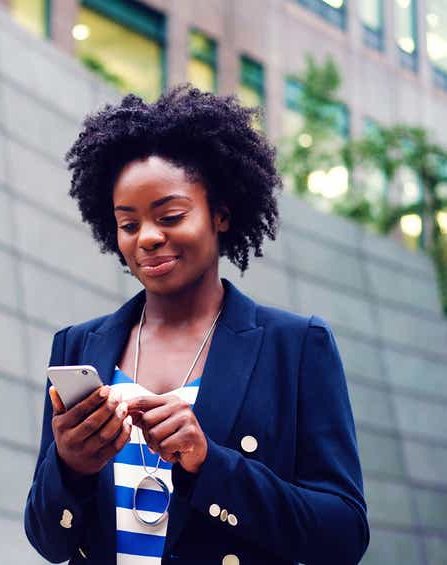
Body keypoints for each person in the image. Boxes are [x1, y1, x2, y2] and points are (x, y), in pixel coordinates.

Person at [22, 86, 369, 564]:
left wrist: (211, 465)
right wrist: (69, 468)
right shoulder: (78, 346)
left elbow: (344, 534)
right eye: (128, 224)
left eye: (171, 216)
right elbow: (48, 541)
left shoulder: (296, 347)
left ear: (221, 214)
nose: (147, 238)